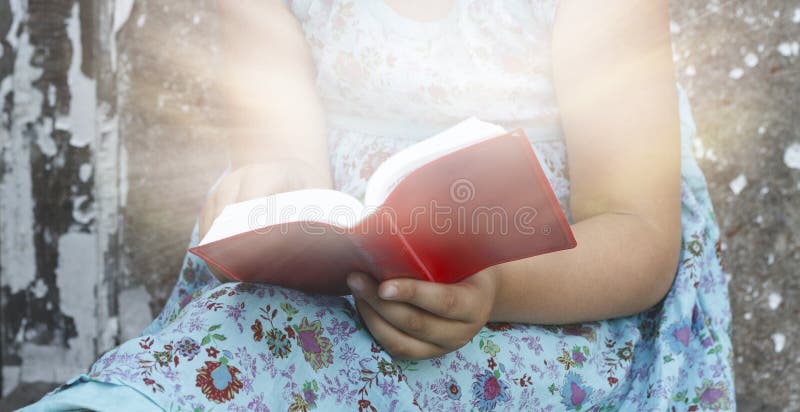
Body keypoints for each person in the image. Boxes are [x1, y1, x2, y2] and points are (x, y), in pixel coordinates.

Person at [24, 0, 734, 410]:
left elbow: (637, 234)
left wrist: (492, 290)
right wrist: (261, 197)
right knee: (250, 324)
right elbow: (284, 164)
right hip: (335, 294)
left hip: (549, 311)